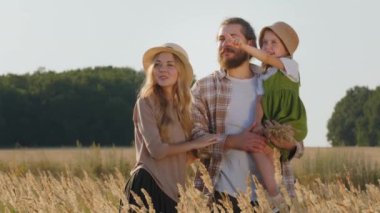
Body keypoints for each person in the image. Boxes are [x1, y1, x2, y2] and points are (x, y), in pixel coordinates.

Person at [191, 17, 304, 212]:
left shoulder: (274, 80)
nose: (226, 43)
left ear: (250, 44)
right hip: (224, 197)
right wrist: (233, 141)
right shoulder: (204, 88)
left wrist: (290, 144)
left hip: (272, 201)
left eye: (233, 37)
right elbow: (194, 140)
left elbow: (297, 139)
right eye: (221, 39)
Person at [121, 43, 218, 213]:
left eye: (170, 65)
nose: (162, 69)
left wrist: (206, 145)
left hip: (173, 193)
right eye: (157, 64)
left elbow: (184, 158)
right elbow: (157, 151)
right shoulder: (145, 102)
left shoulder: (183, 108)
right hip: (147, 186)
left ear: (180, 71)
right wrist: (195, 144)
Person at [226, 21, 308, 211]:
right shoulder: (264, 74)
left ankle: (279, 190)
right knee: (259, 147)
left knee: (277, 144)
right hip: (270, 121)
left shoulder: (289, 66)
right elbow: (260, 102)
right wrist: (255, 124)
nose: (268, 48)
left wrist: (244, 47)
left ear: (286, 49)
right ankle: (274, 194)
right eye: (264, 43)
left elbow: (266, 58)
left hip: (288, 121)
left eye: (274, 43)